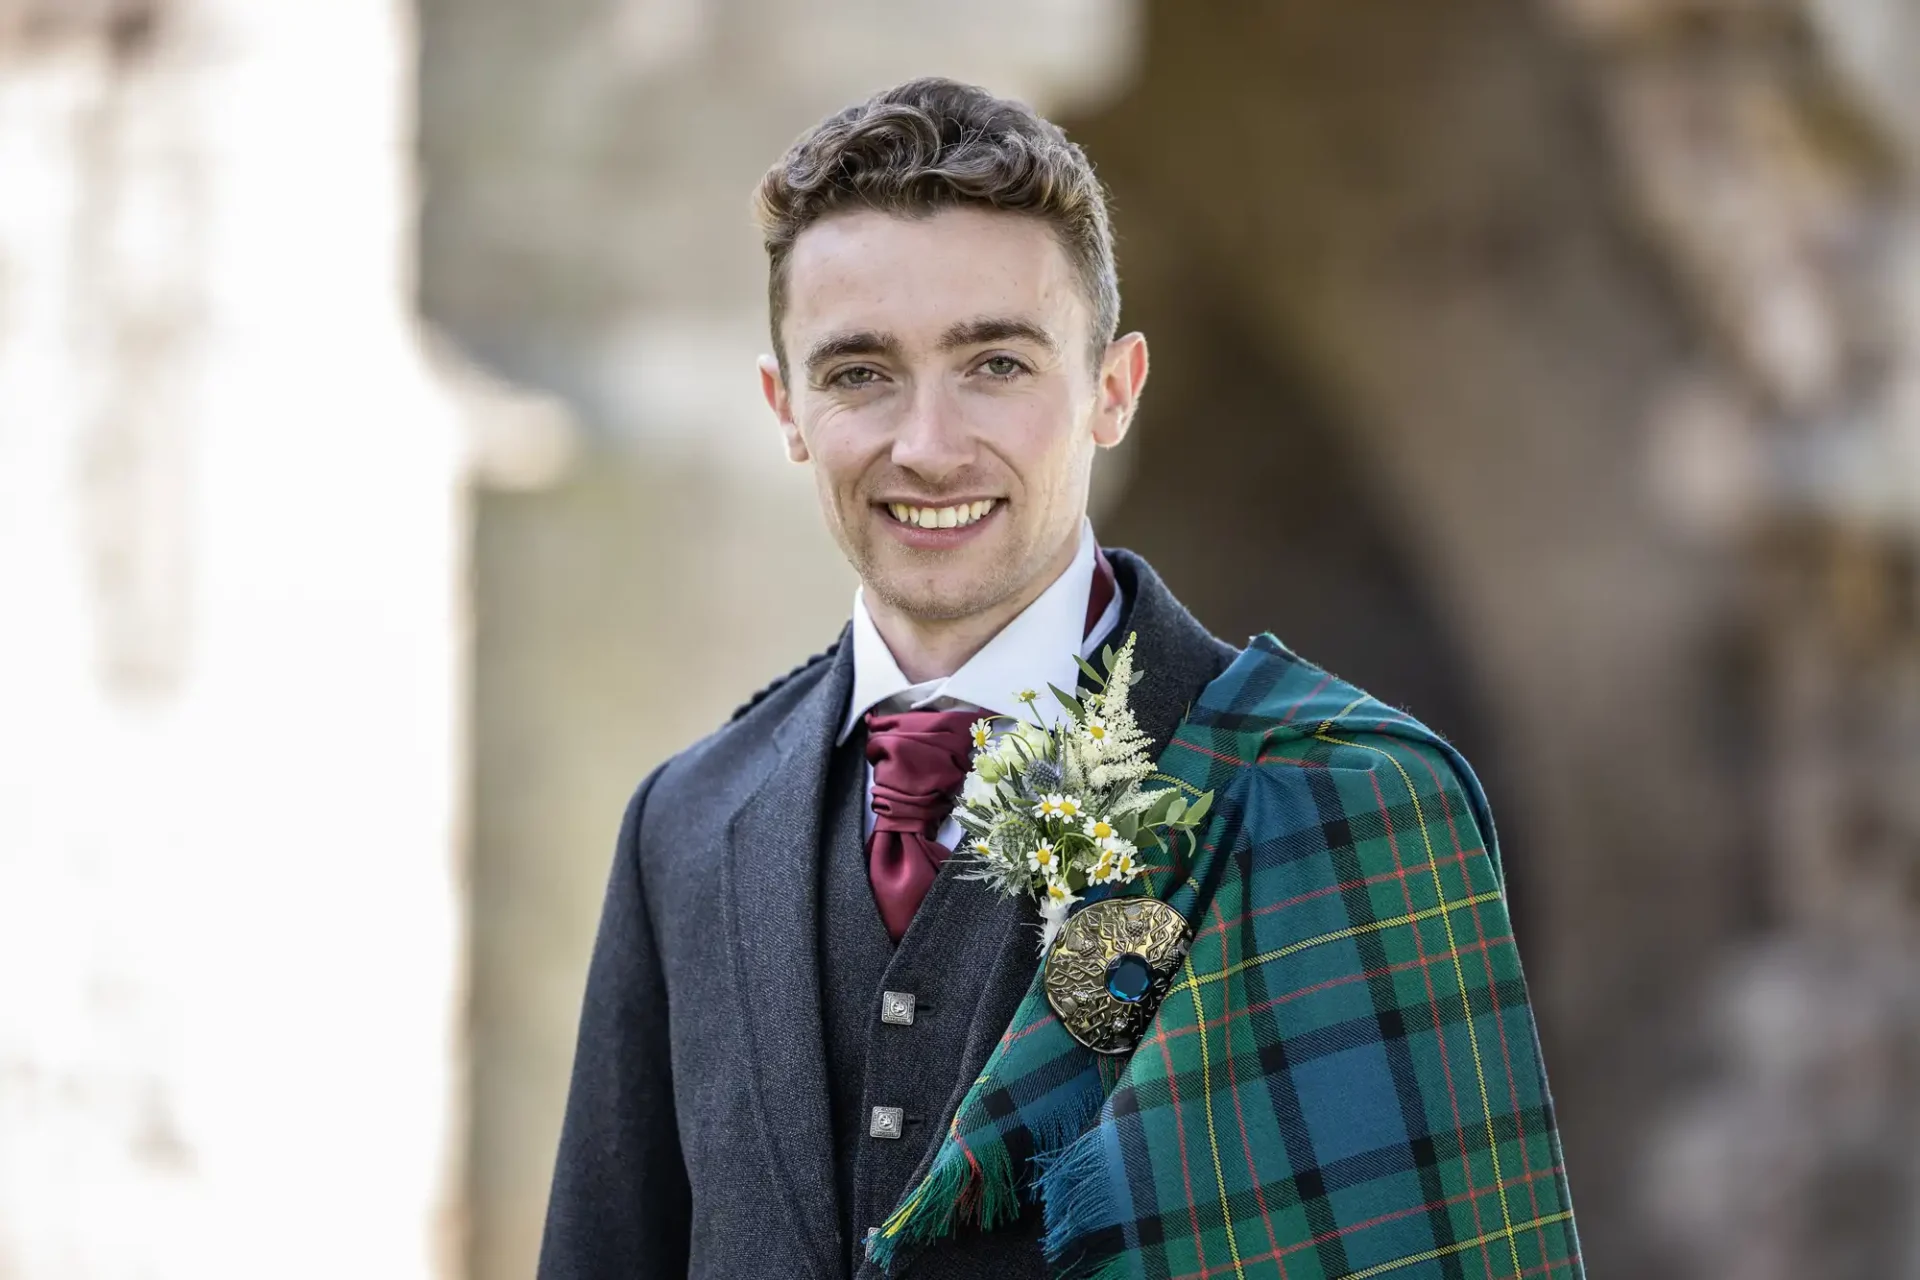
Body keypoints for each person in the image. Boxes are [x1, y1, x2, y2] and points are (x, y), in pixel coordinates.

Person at [540, 78, 1581, 1280]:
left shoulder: (1333, 799)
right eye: (860, 372)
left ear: (1113, 388)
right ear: (788, 407)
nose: (927, 444)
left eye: (995, 363)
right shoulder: (687, 823)